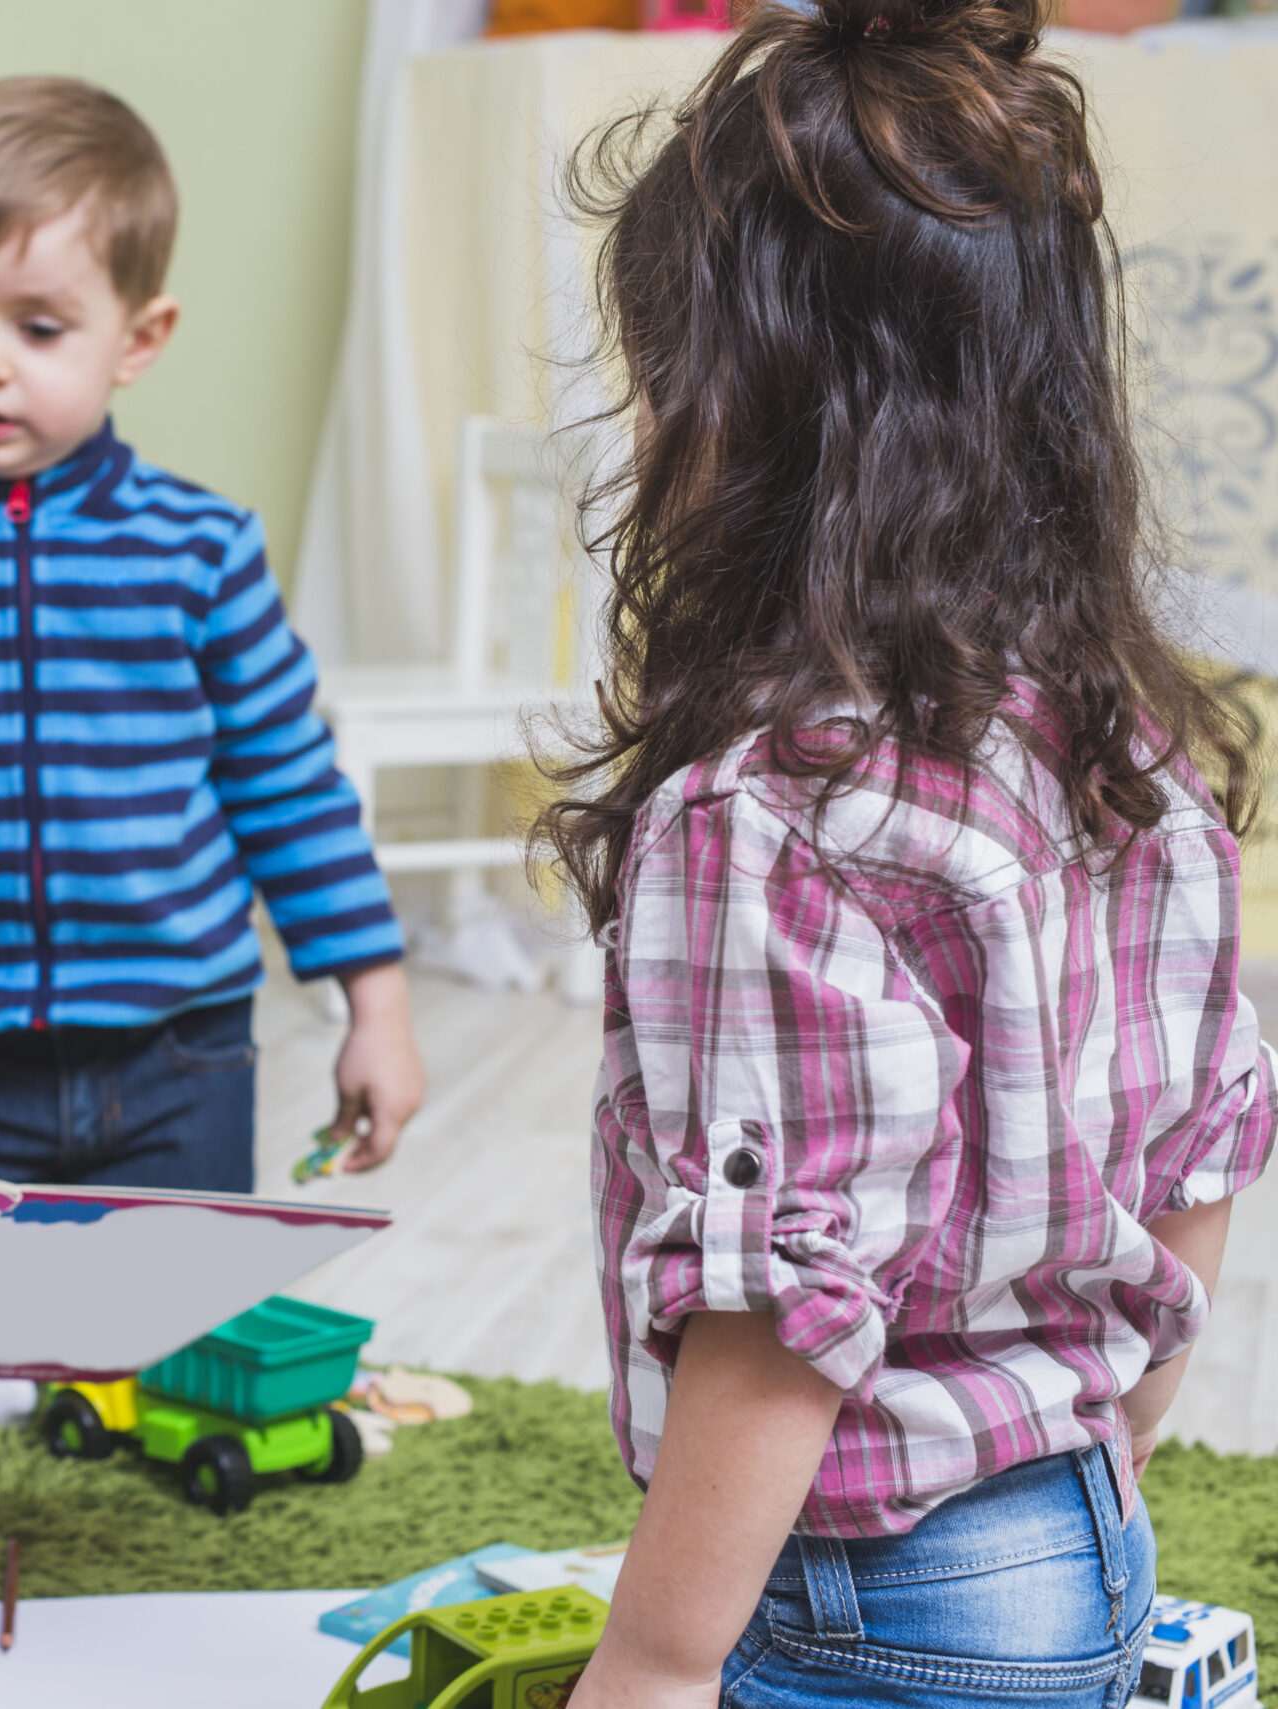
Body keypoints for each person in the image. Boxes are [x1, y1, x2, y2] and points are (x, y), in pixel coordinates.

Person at [543, 3, 1272, 1704]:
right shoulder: (1124, 741)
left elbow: (783, 1306)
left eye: (660, 371)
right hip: (1079, 1534)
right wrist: (1113, 1426)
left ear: (760, 409)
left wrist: (651, 1656)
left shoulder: (772, 818)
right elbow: (1206, 1132)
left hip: (875, 1585)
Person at [0, 77, 427, 1192]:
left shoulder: (202, 547)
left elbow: (287, 784)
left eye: (39, 326)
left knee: (162, 1342)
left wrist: (378, 1003)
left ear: (137, 337)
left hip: (182, 1052)